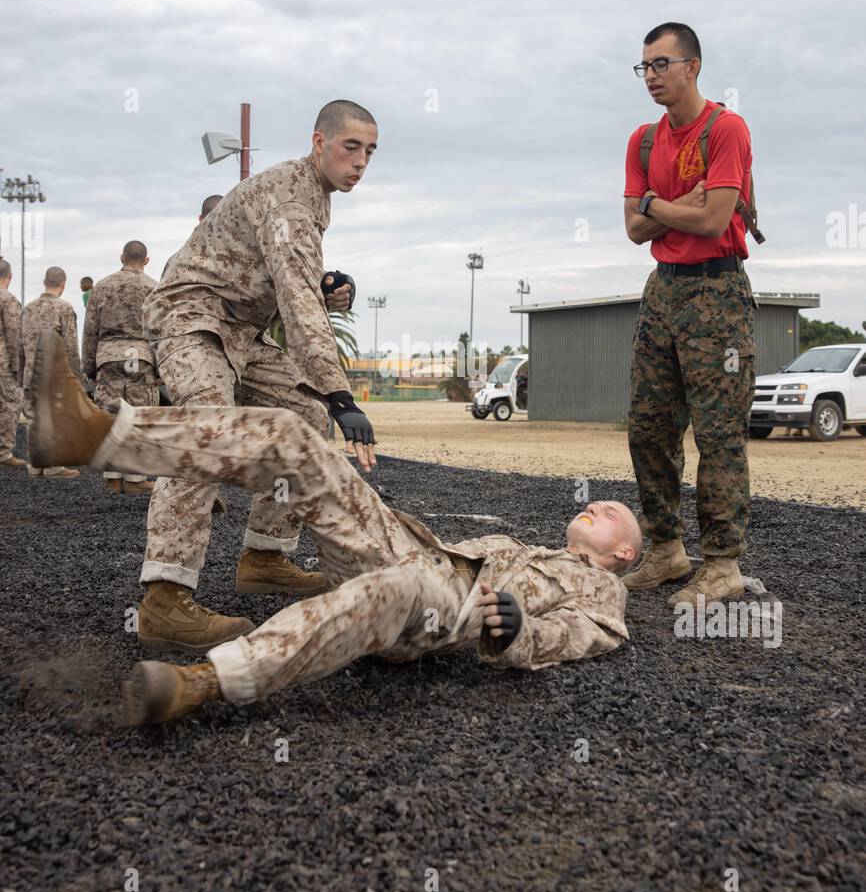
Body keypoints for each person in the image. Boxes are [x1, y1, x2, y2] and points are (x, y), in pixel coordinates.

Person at [29, 330, 641, 727]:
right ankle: (96, 437)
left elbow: (580, 638)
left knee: (395, 591)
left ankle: (202, 682)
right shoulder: (525, 545)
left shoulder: (603, 591)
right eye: (600, 503)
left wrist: (517, 632)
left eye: (613, 513)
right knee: (296, 439)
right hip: (401, 547)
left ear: (624, 551)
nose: (599, 507)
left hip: (439, 608)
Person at [135, 99, 377, 651]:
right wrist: (341, 393)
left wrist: (326, 284)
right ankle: (164, 600)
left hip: (242, 331)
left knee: (307, 416)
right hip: (194, 314)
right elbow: (295, 300)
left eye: (369, 152)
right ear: (319, 143)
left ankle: (265, 554)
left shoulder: (317, 196)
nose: (361, 162)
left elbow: (288, 279)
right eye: (350, 147)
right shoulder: (291, 193)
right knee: (209, 428)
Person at [623, 22, 756, 605]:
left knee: (718, 432)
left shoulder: (726, 129)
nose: (652, 76)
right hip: (663, 291)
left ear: (693, 66)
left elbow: (713, 222)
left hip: (717, 293)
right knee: (648, 427)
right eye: (644, 66)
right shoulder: (643, 142)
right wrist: (671, 203)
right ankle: (666, 550)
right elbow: (633, 228)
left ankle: (722, 564)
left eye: (662, 64)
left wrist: (658, 208)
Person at [82, 240, 159, 494]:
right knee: (140, 416)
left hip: (109, 356)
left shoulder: (102, 287)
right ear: (146, 260)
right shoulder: (154, 288)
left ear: (121, 257)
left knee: (111, 416)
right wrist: (160, 370)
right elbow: (160, 331)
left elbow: (90, 331)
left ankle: (112, 476)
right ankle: (136, 479)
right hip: (141, 355)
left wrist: (89, 367)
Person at [19, 267, 81, 479]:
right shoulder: (64, 308)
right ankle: (54, 467)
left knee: (34, 419)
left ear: (44, 282)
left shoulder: (27, 309)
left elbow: (20, 345)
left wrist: (21, 376)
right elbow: (71, 347)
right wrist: (77, 378)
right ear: (62, 285)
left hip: (30, 374)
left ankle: (36, 467)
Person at [0, 259, 25, 468]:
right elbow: (14, 336)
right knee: (9, 405)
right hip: (3, 365)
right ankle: (3, 453)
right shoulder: (8, 300)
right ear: (10, 276)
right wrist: (19, 369)